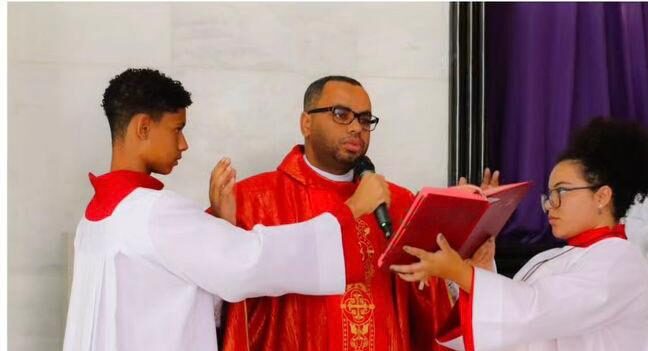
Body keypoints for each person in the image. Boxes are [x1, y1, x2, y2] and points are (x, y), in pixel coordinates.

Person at [62, 68, 389, 351]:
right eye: (177, 129)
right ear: (143, 127)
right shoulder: (156, 213)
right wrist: (350, 211)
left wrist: (221, 223)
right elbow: (251, 262)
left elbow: (193, 293)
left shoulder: (96, 219)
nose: (183, 144)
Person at [216, 75, 498, 351]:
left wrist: (465, 260)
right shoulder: (254, 200)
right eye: (341, 114)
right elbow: (220, 298)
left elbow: (429, 308)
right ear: (306, 123)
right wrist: (222, 227)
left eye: (365, 119)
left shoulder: (399, 203)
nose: (356, 127)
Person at [391, 117, 648, 351]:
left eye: (561, 192)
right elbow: (515, 331)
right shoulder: (554, 257)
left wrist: (460, 272)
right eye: (549, 196)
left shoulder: (619, 260)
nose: (550, 205)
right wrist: (478, 259)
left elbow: (537, 311)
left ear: (602, 196)